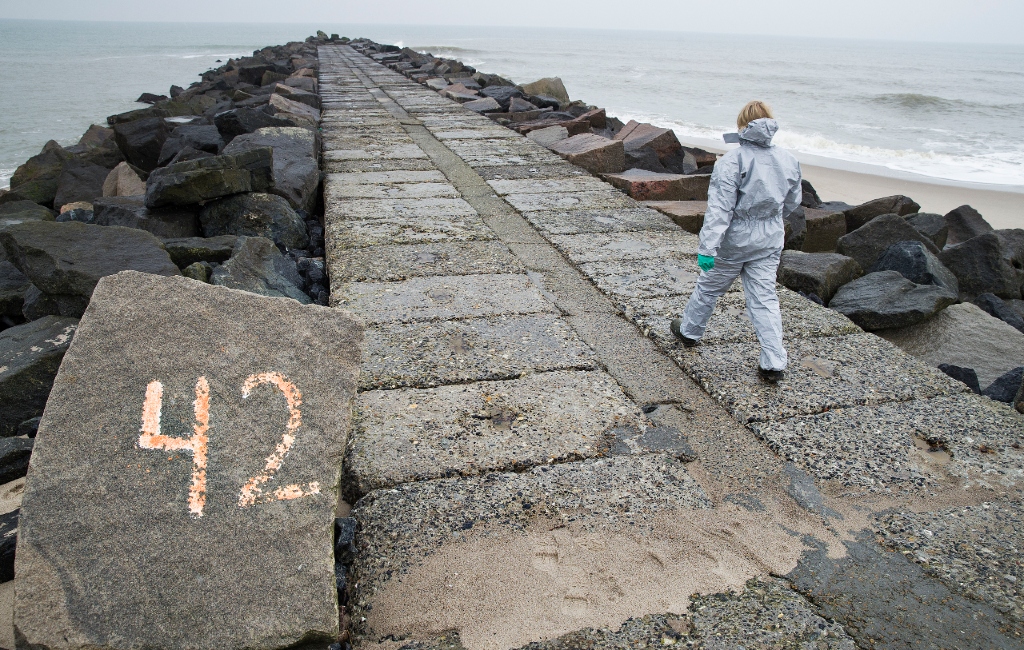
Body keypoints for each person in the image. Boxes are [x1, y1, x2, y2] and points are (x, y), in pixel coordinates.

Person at [670, 101, 802, 383]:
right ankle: (773, 360)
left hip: (735, 240)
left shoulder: (733, 160)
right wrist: (770, 219)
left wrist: (708, 248)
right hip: (769, 238)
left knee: (709, 288)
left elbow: (720, 210)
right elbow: (793, 202)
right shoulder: (788, 159)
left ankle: (690, 331)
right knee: (764, 298)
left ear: (742, 126)